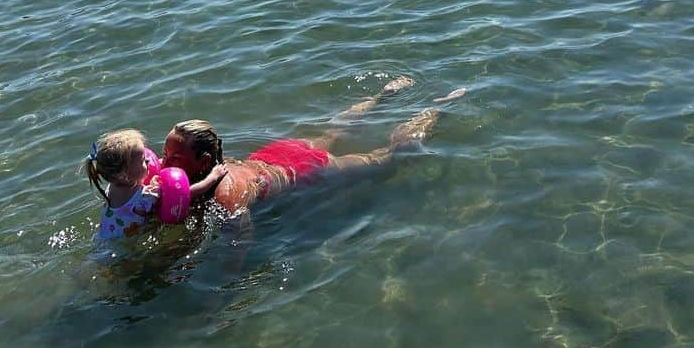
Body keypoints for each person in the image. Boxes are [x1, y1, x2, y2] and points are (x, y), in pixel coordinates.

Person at [161, 79, 466, 216]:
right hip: (276, 154)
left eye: (173, 156)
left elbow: (240, 237)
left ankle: (436, 108)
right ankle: (381, 96)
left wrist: (225, 287)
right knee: (334, 130)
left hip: (306, 169)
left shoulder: (228, 194)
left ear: (202, 160)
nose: (164, 161)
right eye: (165, 153)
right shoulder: (215, 163)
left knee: (386, 158)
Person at [86, 128, 229, 240]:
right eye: (143, 160)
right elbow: (186, 193)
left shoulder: (112, 187)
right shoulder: (145, 197)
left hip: (103, 237)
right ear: (125, 175)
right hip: (125, 247)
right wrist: (212, 177)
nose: (148, 160)